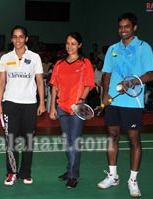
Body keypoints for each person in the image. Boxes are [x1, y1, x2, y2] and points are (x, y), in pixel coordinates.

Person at [96, 12, 153, 198]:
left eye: (127, 27)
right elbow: (106, 74)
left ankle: (133, 180)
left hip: (133, 101)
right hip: (114, 101)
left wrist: (133, 82)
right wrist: (105, 94)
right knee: (112, 136)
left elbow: (151, 74)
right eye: (120, 27)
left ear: (134, 28)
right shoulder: (113, 49)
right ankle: (113, 176)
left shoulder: (143, 47)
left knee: (133, 140)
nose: (123, 30)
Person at [0, 25, 46, 186]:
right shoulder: (5, 58)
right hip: (10, 103)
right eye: (15, 37)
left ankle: (25, 173)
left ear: (26, 39)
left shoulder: (35, 57)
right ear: (11, 39)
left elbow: (39, 81)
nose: (18, 40)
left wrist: (42, 102)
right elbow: (2, 82)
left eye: (21, 36)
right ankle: (11, 173)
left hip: (30, 104)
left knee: (27, 141)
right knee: (10, 141)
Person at [49, 32, 95, 189]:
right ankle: (70, 171)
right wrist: (52, 108)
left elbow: (89, 84)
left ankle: (74, 176)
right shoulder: (59, 64)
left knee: (74, 142)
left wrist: (81, 100)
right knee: (67, 142)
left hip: (77, 109)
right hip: (61, 107)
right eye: (68, 43)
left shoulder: (85, 63)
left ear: (80, 45)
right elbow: (54, 86)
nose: (70, 46)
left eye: (73, 43)